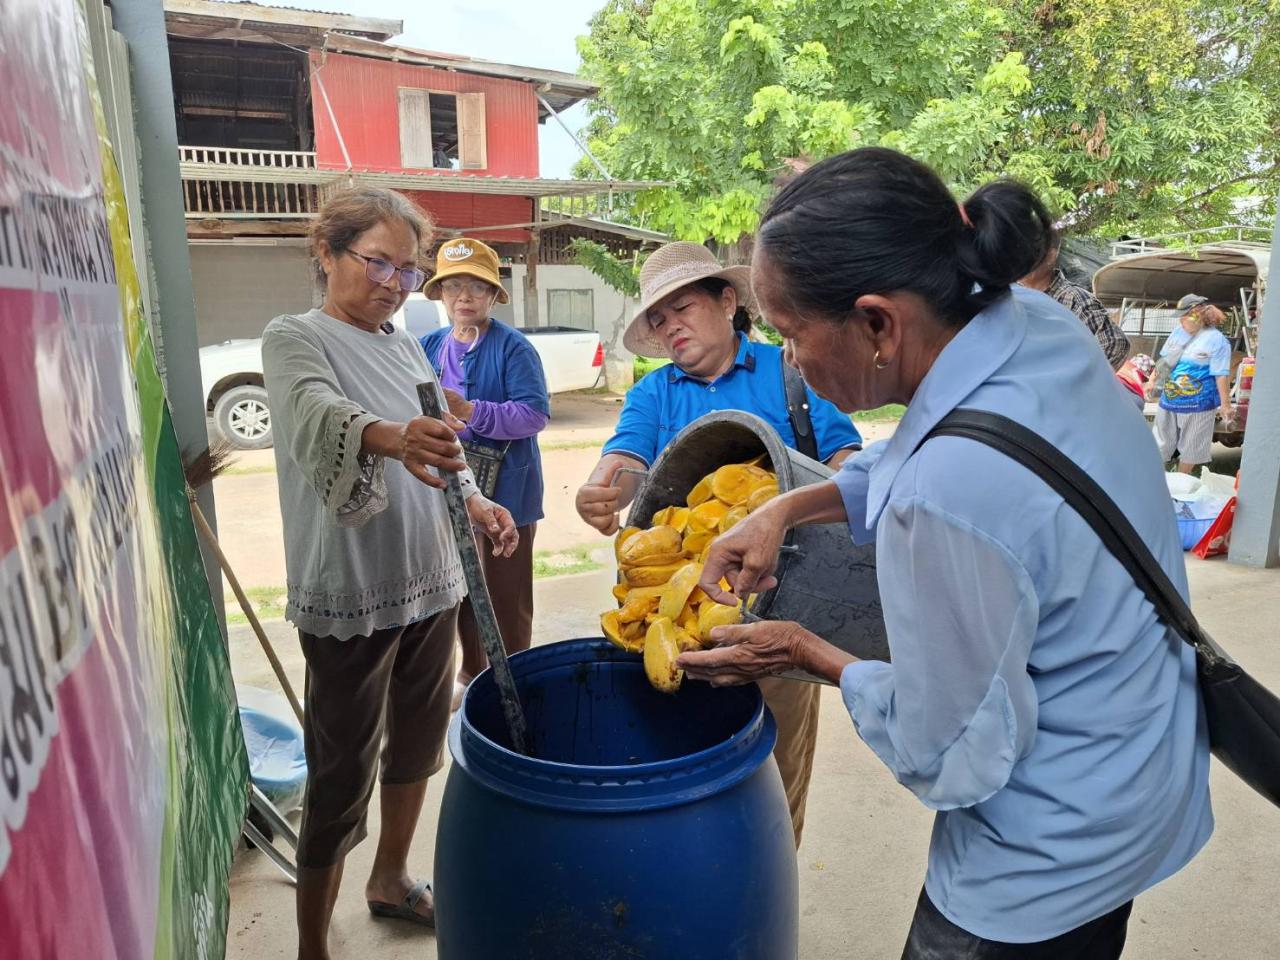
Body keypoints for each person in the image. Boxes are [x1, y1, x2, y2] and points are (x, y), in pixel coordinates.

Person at [679, 147, 1211, 958]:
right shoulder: (1032, 324)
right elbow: (945, 441)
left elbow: (954, 750)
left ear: (878, 322)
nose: (790, 358)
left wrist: (806, 652)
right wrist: (788, 507)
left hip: (1049, 848)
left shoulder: (947, 496)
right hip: (1144, 760)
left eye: (791, 333)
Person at [261, 187, 519, 960]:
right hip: (352, 593)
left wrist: (473, 501)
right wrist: (387, 435)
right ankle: (312, 942)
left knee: (415, 746)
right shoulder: (294, 337)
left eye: (407, 272)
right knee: (340, 773)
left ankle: (392, 878)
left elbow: (438, 436)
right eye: (378, 263)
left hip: (431, 581)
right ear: (327, 254)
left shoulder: (407, 342)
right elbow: (314, 414)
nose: (394, 285)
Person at [575, 240, 864, 847]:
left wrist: (797, 507)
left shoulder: (791, 373)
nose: (669, 325)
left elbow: (847, 459)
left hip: (785, 606)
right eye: (657, 318)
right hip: (684, 622)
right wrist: (606, 487)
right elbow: (629, 459)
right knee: (690, 771)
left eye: (682, 307)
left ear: (726, 300)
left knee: (777, 779)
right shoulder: (655, 393)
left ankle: (771, 900)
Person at [419, 238, 549, 709]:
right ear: (439, 294)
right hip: (449, 489)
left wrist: (471, 410)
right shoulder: (426, 347)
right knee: (460, 588)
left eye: (476, 286)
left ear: (493, 295)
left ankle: (516, 679)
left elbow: (534, 414)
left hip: (509, 488)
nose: (464, 297)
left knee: (506, 592)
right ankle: (472, 673)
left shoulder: (514, 349)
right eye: (453, 286)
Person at [1019, 230, 1131, 368]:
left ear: (1051, 255)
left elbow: (1115, 345)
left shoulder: (1075, 300)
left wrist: (1075, 383)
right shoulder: (1011, 298)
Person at [1150, 295, 1234, 474]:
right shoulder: (1177, 332)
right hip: (1169, 401)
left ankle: (1180, 483)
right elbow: (1164, 361)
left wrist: (1225, 406)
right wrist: (1151, 381)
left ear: (1197, 314)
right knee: (1159, 444)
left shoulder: (1217, 340)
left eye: (1184, 316)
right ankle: (1156, 479)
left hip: (1198, 405)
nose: (1180, 321)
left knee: (1191, 449)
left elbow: (1221, 375)